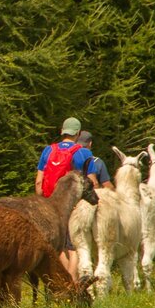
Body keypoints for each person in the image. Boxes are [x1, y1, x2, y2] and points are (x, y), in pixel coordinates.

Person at [35, 117, 97, 277]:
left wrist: (43, 204)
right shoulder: (83, 152)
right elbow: (92, 183)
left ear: (62, 132)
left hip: (50, 207)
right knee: (74, 246)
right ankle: (70, 282)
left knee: (57, 246)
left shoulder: (48, 150)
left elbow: (38, 183)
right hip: (74, 207)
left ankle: (65, 279)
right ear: (78, 133)